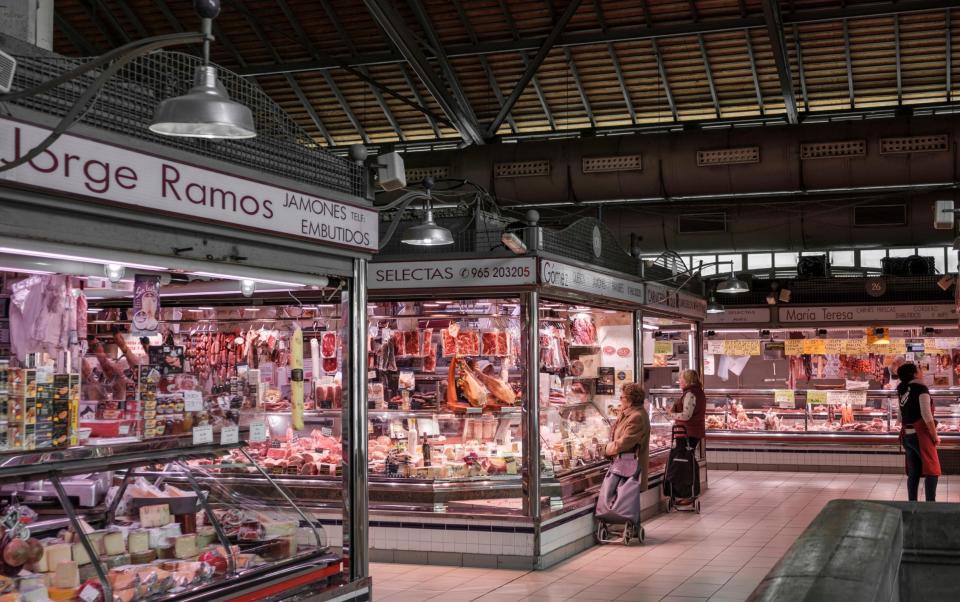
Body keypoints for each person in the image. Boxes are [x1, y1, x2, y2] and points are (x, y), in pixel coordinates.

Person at [897, 363, 941, 502]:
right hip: (920, 435)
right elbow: (927, 415)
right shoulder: (921, 388)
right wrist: (935, 436)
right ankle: (930, 504)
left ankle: (912, 503)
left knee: (914, 472)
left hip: (907, 435)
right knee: (933, 471)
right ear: (914, 373)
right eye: (919, 369)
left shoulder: (902, 389)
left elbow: (899, 416)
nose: (921, 371)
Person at [604, 383, 650, 489]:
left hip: (630, 472)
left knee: (627, 503)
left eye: (622, 397)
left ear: (630, 399)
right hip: (623, 470)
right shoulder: (628, 414)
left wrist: (606, 449)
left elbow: (624, 444)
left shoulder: (637, 417)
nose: (620, 399)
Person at [670, 369, 707, 452]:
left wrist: (671, 414)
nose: (679, 381)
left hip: (688, 432)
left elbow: (686, 415)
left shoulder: (690, 393)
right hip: (692, 432)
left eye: (681, 378)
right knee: (688, 458)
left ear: (687, 380)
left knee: (683, 459)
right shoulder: (698, 392)